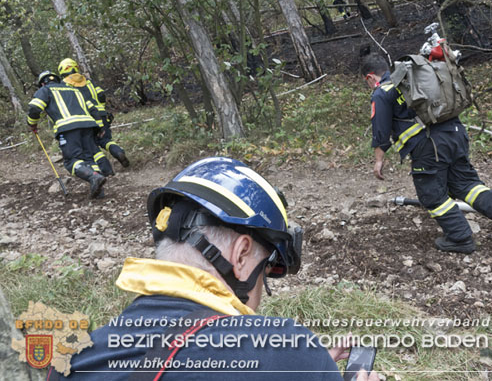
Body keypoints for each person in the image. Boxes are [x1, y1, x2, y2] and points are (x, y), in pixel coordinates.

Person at [47, 157, 379, 381]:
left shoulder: (70, 360)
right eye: (264, 273)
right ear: (242, 254)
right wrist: (302, 362)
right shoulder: (288, 352)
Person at [361, 53, 492, 254]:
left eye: (367, 82)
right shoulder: (412, 80)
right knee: (465, 184)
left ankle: (460, 238)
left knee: (431, 194)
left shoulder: (382, 92)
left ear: (370, 77)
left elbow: (381, 132)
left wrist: (378, 161)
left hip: (429, 146)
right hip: (456, 134)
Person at [27, 71, 106, 198]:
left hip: (68, 129)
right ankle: (99, 190)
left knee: (71, 161)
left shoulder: (45, 90)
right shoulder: (74, 90)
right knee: (89, 158)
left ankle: (93, 177)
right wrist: (100, 127)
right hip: (88, 126)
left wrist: (32, 124)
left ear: (42, 83)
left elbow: (35, 108)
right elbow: (93, 109)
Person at [58, 58, 129, 176]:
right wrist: (102, 109)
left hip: (86, 119)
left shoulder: (64, 84)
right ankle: (118, 152)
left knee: (93, 146)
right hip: (101, 115)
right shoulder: (87, 80)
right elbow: (101, 95)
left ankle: (107, 171)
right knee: (106, 140)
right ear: (75, 67)